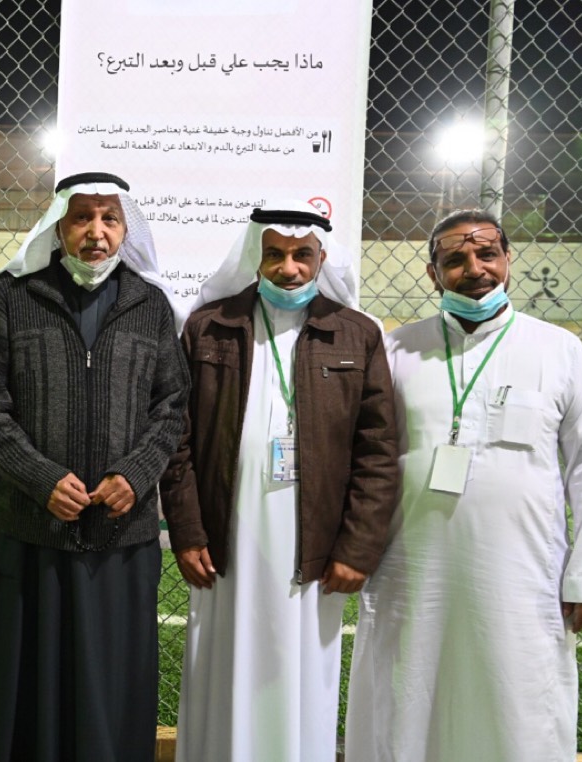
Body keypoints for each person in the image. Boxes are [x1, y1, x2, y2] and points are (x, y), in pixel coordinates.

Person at [346, 209, 582, 762]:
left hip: (523, 573)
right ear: (432, 273)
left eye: (487, 253)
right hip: (412, 569)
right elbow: (364, 458)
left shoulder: (557, 350)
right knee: (407, 694)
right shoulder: (395, 351)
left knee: (517, 700)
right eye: (455, 259)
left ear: (508, 259)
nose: (474, 268)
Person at [158, 201, 398, 762]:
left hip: (314, 545)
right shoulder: (209, 326)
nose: (288, 268)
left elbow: (378, 451)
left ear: (321, 259)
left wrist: (357, 549)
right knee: (222, 663)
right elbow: (176, 439)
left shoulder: (357, 334)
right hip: (224, 541)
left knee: (301, 670)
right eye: (275, 255)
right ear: (256, 256)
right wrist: (187, 532)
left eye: (302, 255)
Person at [0, 171, 189, 762]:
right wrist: (42, 480)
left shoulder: (149, 305)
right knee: (32, 690)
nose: (96, 232)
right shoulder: (15, 296)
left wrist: (135, 474)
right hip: (36, 530)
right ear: (59, 227)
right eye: (82, 218)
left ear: (125, 228)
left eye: (109, 218)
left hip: (122, 533)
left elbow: (172, 406)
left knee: (114, 687)